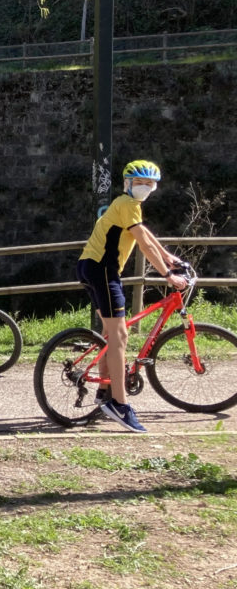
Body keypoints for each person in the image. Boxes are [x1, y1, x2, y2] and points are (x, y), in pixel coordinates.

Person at [78, 160, 187, 433]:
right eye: (140, 182)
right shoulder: (127, 204)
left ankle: (104, 392)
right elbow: (143, 243)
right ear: (127, 184)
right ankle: (120, 403)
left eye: (150, 184)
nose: (145, 188)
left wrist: (167, 255)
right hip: (103, 269)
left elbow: (146, 235)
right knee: (120, 337)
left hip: (93, 266)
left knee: (109, 333)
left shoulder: (128, 207)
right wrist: (167, 275)